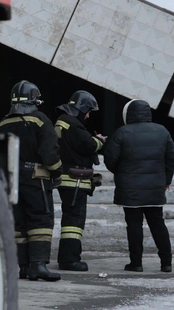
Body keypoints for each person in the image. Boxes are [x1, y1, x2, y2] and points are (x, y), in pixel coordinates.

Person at [0, 80, 62, 282]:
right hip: (36, 180)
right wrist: (57, 172)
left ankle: (24, 267)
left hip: (10, 181)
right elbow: (49, 153)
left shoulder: (3, 123)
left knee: (19, 223)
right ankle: (39, 265)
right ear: (35, 99)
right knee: (40, 220)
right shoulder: (40, 120)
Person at [103, 99, 174, 273]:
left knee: (134, 225)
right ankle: (166, 263)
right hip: (155, 187)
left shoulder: (122, 132)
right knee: (158, 224)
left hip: (130, 189)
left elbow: (110, 159)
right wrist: (167, 179)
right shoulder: (162, 131)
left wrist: (121, 173)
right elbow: (171, 157)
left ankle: (136, 263)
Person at [54, 90, 105, 271]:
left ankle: (67, 257)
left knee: (70, 218)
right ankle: (70, 259)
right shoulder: (72, 124)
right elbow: (88, 145)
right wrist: (99, 141)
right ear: (82, 108)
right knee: (74, 222)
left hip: (67, 179)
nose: (89, 115)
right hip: (74, 180)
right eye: (88, 111)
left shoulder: (63, 122)